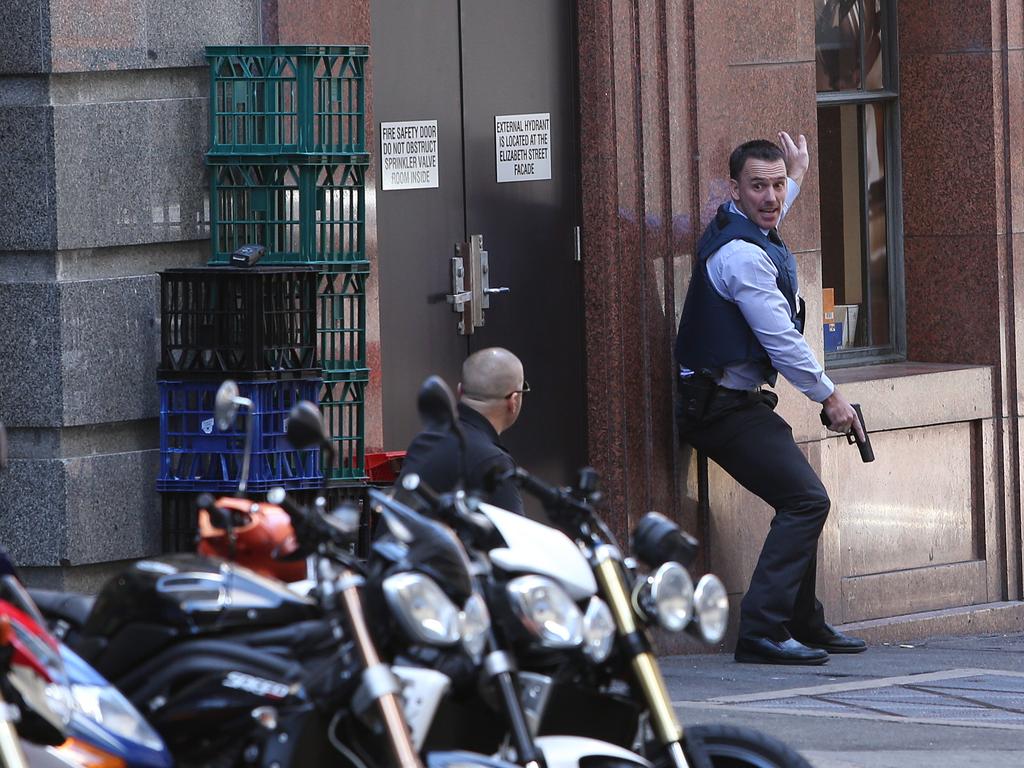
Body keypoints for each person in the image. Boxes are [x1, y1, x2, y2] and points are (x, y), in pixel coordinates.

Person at [674, 132, 867, 666]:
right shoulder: (741, 257)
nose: (772, 197)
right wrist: (829, 397)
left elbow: (773, 211)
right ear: (734, 188)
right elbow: (781, 341)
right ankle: (760, 631)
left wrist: (797, 173)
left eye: (778, 185)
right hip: (717, 407)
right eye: (758, 186)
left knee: (799, 497)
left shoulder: (745, 226)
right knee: (807, 499)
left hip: (736, 402)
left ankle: (802, 621)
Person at [398, 347, 527, 514]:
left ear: (460, 390)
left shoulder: (424, 441)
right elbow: (513, 536)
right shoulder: (493, 462)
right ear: (514, 400)